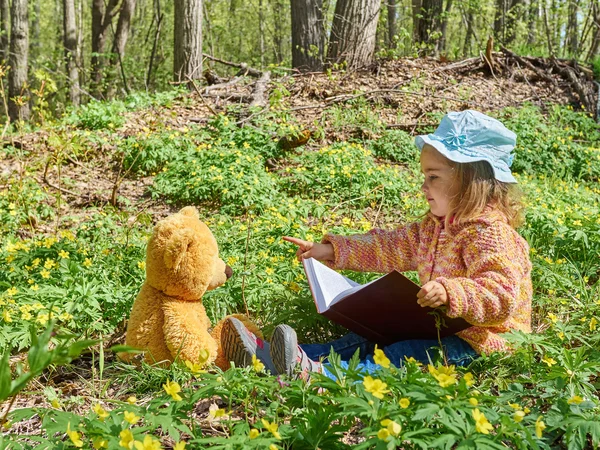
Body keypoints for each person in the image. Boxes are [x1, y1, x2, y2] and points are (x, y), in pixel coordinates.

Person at [221, 110, 533, 379]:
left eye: (433, 177)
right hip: (435, 328)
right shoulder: (434, 227)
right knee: (363, 339)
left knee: (404, 353)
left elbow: (501, 295)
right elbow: (390, 246)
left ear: (470, 180)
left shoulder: (491, 235)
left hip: (480, 345)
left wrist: (452, 292)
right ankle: (286, 358)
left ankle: (321, 376)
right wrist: (332, 250)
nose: (423, 185)